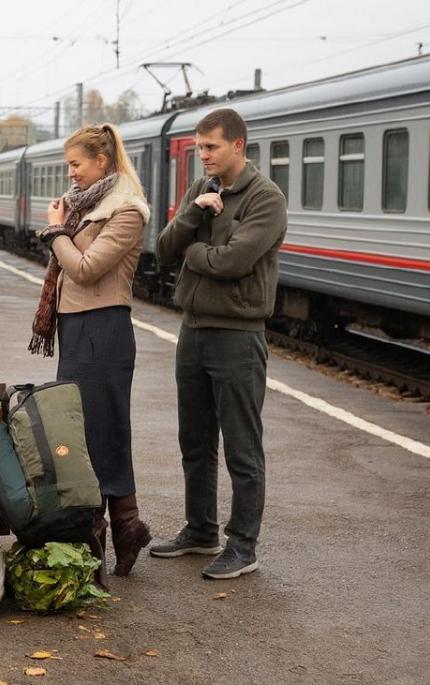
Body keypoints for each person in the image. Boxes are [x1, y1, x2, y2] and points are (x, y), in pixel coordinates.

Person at [149, 108, 287, 579]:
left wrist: (193, 251)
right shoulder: (200, 189)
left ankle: (243, 546)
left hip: (238, 335)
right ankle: (201, 531)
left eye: (210, 147)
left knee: (242, 449)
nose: (202, 155)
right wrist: (192, 213)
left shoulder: (266, 198)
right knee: (195, 439)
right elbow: (164, 249)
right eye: (199, 146)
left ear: (238, 146)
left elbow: (233, 262)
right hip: (193, 330)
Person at [32, 123, 153, 577]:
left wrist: (55, 232)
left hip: (104, 330)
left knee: (100, 432)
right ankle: (125, 525)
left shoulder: (127, 211)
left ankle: (100, 533)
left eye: (76, 164)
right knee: (90, 431)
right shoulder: (92, 206)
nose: (71, 172)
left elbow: (84, 269)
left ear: (101, 162)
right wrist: (64, 228)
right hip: (78, 329)